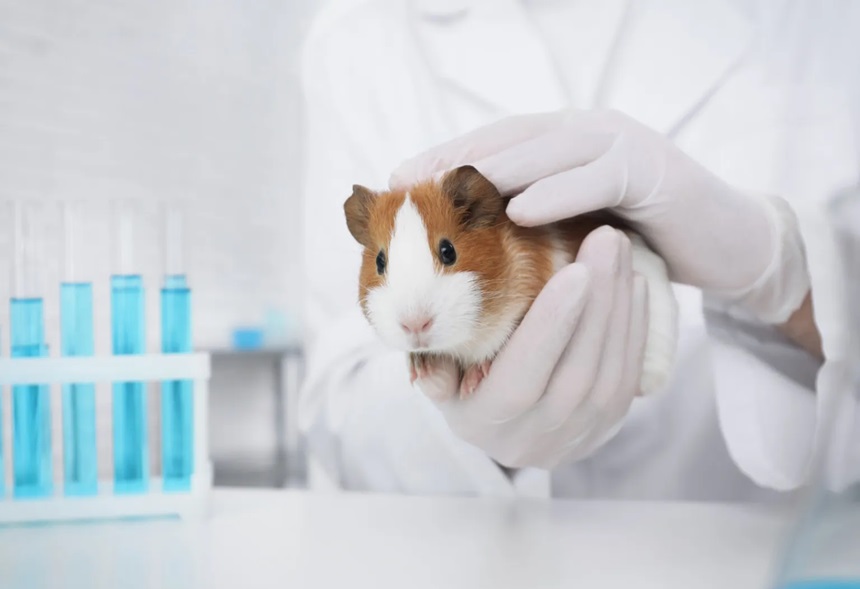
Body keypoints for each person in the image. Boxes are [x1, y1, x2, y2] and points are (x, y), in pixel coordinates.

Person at [298, 0, 860, 500]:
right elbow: (335, 398)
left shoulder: (823, 20)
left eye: (446, 256)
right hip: (484, 564)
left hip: (741, 551)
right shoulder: (358, 34)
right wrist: (474, 429)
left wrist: (783, 271)